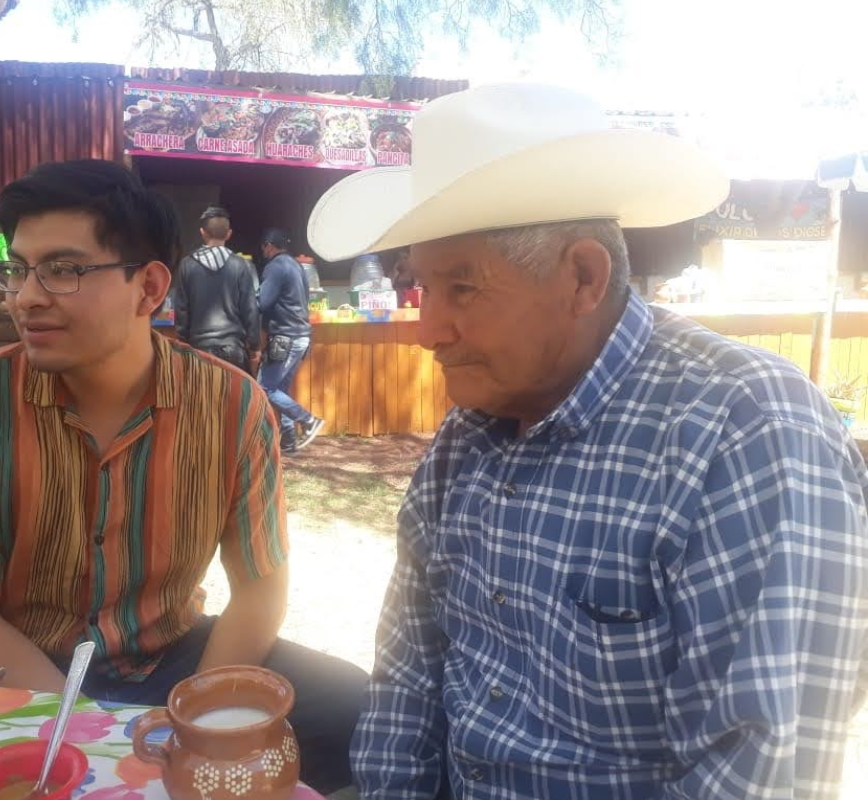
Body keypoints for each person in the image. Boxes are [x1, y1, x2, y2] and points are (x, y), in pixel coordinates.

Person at [308, 84, 868, 799]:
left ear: (581, 277)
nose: (426, 330)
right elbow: (408, 681)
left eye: (463, 288)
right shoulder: (464, 441)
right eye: (422, 288)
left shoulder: (744, 432)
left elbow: (765, 770)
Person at [0, 160, 367, 794]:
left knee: (371, 715)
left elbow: (260, 588)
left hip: (173, 655)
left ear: (149, 289)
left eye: (63, 270)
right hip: (12, 664)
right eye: (17, 269)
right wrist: (92, 728)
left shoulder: (231, 405)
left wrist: (196, 715)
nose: (25, 296)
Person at [258, 227, 324, 454]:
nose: (263, 251)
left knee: (264, 387)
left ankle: (308, 420)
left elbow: (263, 302)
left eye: (263, 247)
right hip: (301, 336)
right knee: (281, 389)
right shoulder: (296, 266)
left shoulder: (275, 267)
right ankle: (288, 443)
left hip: (285, 337)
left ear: (269, 245)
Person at [173, 205, 261, 374]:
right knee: (234, 400)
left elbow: (181, 310)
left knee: (202, 401)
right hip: (234, 350)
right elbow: (250, 309)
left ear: (202, 232)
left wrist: (182, 342)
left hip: (199, 351)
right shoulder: (241, 265)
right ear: (228, 234)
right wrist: (255, 346)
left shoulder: (187, 265)